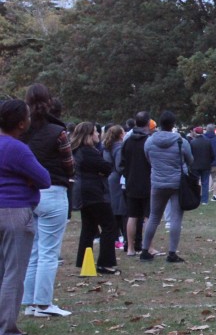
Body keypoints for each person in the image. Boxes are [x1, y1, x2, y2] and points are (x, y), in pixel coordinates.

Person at [20, 83, 74, 319]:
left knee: (33, 251)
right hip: (53, 190)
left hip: (28, 193)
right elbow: (69, 164)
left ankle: (30, 302)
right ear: (49, 102)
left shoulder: (20, 131)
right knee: (49, 252)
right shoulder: (58, 132)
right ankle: (43, 303)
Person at [0, 100, 51, 335]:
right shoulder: (17, 149)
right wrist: (25, 179)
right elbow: (44, 178)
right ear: (21, 123)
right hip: (14, 211)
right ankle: (7, 330)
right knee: (14, 273)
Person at [140, 112, 193, 263]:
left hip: (157, 182)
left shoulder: (150, 141)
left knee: (154, 217)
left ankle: (145, 250)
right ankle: (172, 253)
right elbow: (190, 160)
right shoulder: (181, 142)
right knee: (176, 218)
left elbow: (148, 158)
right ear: (173, 124)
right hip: (177, 183)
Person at [70, 122, 119, 275]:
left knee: (89, 227)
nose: (98, 134)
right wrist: (101, 172)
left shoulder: (78, 151)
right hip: (94, 193)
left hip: (84, 192)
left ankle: (84, 261)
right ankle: (105, 263)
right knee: (109, 225)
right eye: (95, 132)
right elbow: (106, 167)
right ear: (89, 136)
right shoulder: (88, 152)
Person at [118, 112, 153, 257]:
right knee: (148, 216)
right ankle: (148, 246)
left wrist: (127, 175)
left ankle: (130, 248)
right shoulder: (149, 141)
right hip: (147, 182)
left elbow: (122, 163)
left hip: (131, 181)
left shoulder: (127, 141)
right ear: (148, 123)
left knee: (132, 216)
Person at [189, 126, 213, 204]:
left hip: (195, 166)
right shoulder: (208, 142)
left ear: (195, 132)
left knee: (195, 183)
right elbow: (212, 154)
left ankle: (195, 198)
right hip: (206, 165)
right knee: (205, 183)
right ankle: (205, 200)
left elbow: (190, 155)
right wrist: (210, 162)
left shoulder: (193, 142)